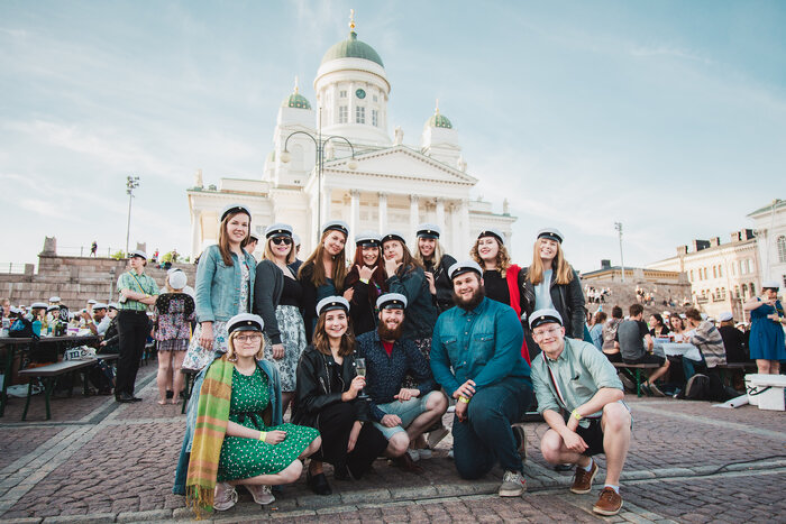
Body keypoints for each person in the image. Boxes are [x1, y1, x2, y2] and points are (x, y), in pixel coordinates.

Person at [173, 313, 321, 515]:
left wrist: (265, 433)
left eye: (254, 336)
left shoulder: (266, 369)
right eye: (241, 337)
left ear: (261, 340)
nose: (248, 341)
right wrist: (263, 437)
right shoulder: (219, 370)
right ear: (231, 340)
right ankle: (226, 481)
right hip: (228, 441)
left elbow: (270, 412)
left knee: (314, 439)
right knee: (293, 470)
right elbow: (215, 422)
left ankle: (254, 479)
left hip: (260, 431)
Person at [430, 261, 533, 497]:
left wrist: (467, 394)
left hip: (510, 385)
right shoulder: (444, 320)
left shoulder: (503, 313)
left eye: (469, 280)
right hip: (470, 393)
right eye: (458, 283)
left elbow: (504, 361)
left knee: (482, 408)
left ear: (481, 282)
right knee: (469, 468)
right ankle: (509, 438)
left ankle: (513, 470)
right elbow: (437, 360)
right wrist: (455, 389)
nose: (464, 286)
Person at [529, 309, 631, 517]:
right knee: (550, 448)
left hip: (603, 420)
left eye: (551, 330)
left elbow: (614, 390)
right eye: (540, 332)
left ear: (562, 330)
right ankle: (587, 465)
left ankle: (612, 488)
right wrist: (566, 433)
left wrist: (577, 414)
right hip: (577, 427)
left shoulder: (584, 350)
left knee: (616, 412)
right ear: (534, 338)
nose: (547, 336)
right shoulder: (538, 366)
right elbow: (547, 407)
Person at [293, 297, 388, 495]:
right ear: (322, 323)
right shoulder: (310, 355)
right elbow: (305, 402)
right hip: (314, 418)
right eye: (330, 319)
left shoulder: (355, 350)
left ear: (347, 320)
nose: (336, 323)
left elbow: (362, 390)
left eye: (340, 317)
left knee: (376, 441)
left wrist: (358, 426)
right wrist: (344, 396)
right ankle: (316, 468)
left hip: (347, 415)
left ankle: (341, 461)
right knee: (343, 410)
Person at [356, 293, 448, 471]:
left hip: (395, 406)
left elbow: (430, 378)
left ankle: (400, 445)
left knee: (439, 400)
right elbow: (359, 391)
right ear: (380, 314)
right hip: (370, 411)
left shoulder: (406, 345)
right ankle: (387, 448)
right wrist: (381, 416)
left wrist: (417, 391)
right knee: (400, 444)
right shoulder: (362, 343)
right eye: (389, 312)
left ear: (403, 317)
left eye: (398, 313)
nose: (393, 317)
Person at [183, 204, 257, 372]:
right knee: (211, 379)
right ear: (225, 225)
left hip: (240, 326)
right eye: (235, 223)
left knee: (235, 379)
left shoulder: (250, 260)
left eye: (244, 225)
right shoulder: (213, 253)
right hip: (218, 324)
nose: (240, 228)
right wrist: (206, 326)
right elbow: (202, 291)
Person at [253, 223, 307, 412]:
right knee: (280, 385)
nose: (282, 243)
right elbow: (264, 302)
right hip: (279, 329)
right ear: (269, 243)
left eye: (287, 240)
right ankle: (270, 428)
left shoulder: (292, 269)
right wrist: (275, 338)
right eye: (277, 240)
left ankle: (277, 426)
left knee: (291, 385)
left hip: (295, 331)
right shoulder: (267, 266)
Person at [522, 228, 586, 360]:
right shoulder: (524, 274)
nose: (547, 247)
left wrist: (577, 337)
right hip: (536, 333)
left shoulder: (567, 272)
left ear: (558, 249)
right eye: (544, 242)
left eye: (552, 244)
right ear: (537, 246)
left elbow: (578, 306)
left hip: (560, 331)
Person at [470, 229, 530, 363]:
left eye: (489, 242)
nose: (484, 246)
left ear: (500, 247)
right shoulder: (473, 275)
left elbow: (523, 303)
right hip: (482, 335)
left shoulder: (515, 272)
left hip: (509, 332)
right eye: (481, 243)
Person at [381, 231, 438, 366]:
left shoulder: (414, 271)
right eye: (386, 248)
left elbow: (401, 300)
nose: (390, 250)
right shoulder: (395, 271)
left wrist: (391, 275)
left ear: (403, 248)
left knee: (423, 381)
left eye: (394, 245)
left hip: (421, 337)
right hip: (404, 336)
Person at [115, 250, 159, 403]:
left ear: (144, 261)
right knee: (126, 353)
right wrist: (146, 297)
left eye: (136, 258)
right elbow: (127, 294)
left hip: (141, 316)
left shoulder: (150, 280)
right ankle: (120, 391)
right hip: (126, 315)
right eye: (131, 259)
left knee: (136, 354)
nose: (132, 261)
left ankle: (129, 390)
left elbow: (156, 299)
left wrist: (142, 297)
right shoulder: (125, 277)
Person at [299, 221, 350, 342]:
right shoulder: (309, 269)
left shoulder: (342, 270)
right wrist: (343, 301)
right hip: (317, 328)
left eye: (342, 242)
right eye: (335, 238)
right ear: (324, 239)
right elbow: (309, 307)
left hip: (338, 328)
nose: (338, 244)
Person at [154, 270, 196, 404]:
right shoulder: (188, 299)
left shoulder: (161, 299)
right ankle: (175, 398)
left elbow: (155, 317)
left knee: (163, 367)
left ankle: (162, 398)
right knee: (179, 368)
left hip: (164, 335)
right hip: (181, 336)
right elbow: (191, 318)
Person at [614, 304, 670, 396]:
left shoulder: (621, 325)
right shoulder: (641, 324)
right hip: (638, 357)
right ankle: (646, 384)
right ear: (640, 314)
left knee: (650, 362)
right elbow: (650, 342)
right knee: (666, 363)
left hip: (625, 357)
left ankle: (649, 382)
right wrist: (650, 351)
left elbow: (616, 344)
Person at [343, 232, 386, 336]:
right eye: (366, 249)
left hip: (384, 334)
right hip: (365, 336)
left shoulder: (383, 274)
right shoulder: (351, 277)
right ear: (358, 251)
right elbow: (354, 312)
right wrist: (363, 281)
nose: (370, 254)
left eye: (374, 249)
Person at [413, 224, 457, 314]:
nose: (426, 244)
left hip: (447, 315)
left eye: (431, 241)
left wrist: (436, 291)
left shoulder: (448, 261)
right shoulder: (413, 264)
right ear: (418, 242)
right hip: (423, 319)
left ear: (436, 243)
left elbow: (460, 292)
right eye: (423, 240)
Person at [743, 282, 785, 374]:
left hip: (775, 334)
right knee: (763, 365)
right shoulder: (756, 299)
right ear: (764, 291)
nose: (774, 293)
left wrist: (780, 319)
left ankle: (775, 386)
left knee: (775, 366)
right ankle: (764, 387)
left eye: (776, 291)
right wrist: (762, 302)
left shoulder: (780, 304)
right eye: (771, 291)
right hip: (760, 334)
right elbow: (745, 307)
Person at [683, 308, 727, 381]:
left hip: (714, 356)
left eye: (686, 319)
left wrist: (688, 339)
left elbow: (696, 341)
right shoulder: (705, 324)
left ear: (690, 319)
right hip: (713, 354)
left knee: (686, 358)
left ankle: (692, 382)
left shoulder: (704, 326)